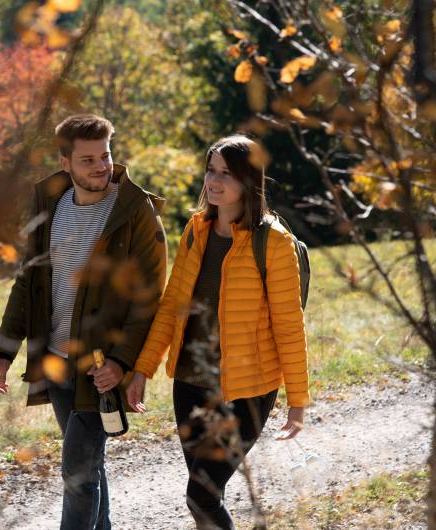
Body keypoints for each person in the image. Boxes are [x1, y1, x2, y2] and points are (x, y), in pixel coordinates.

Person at [0, 114, 167, 530]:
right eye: (87, 160)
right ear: (65, 161)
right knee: (88, 468)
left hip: (102, 367)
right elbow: (27, 285)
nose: (101, 166)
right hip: (56, 363)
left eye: (105, 155)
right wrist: (3, 354)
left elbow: (149, 300)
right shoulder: (48, 204)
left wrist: (121, 362)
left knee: (77, 472)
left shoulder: (135, 212)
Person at [126, 135, 309, 529]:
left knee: (201, 494)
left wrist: (298, 400)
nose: (214, 180)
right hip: (191, 383)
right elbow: (172, 306)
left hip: (246, 390)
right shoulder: (196, 232)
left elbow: (289, 325)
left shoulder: (273, 243)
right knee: (204, 498)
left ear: (250, 181)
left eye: (227, 173)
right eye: (211, 170)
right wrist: (142, 369)